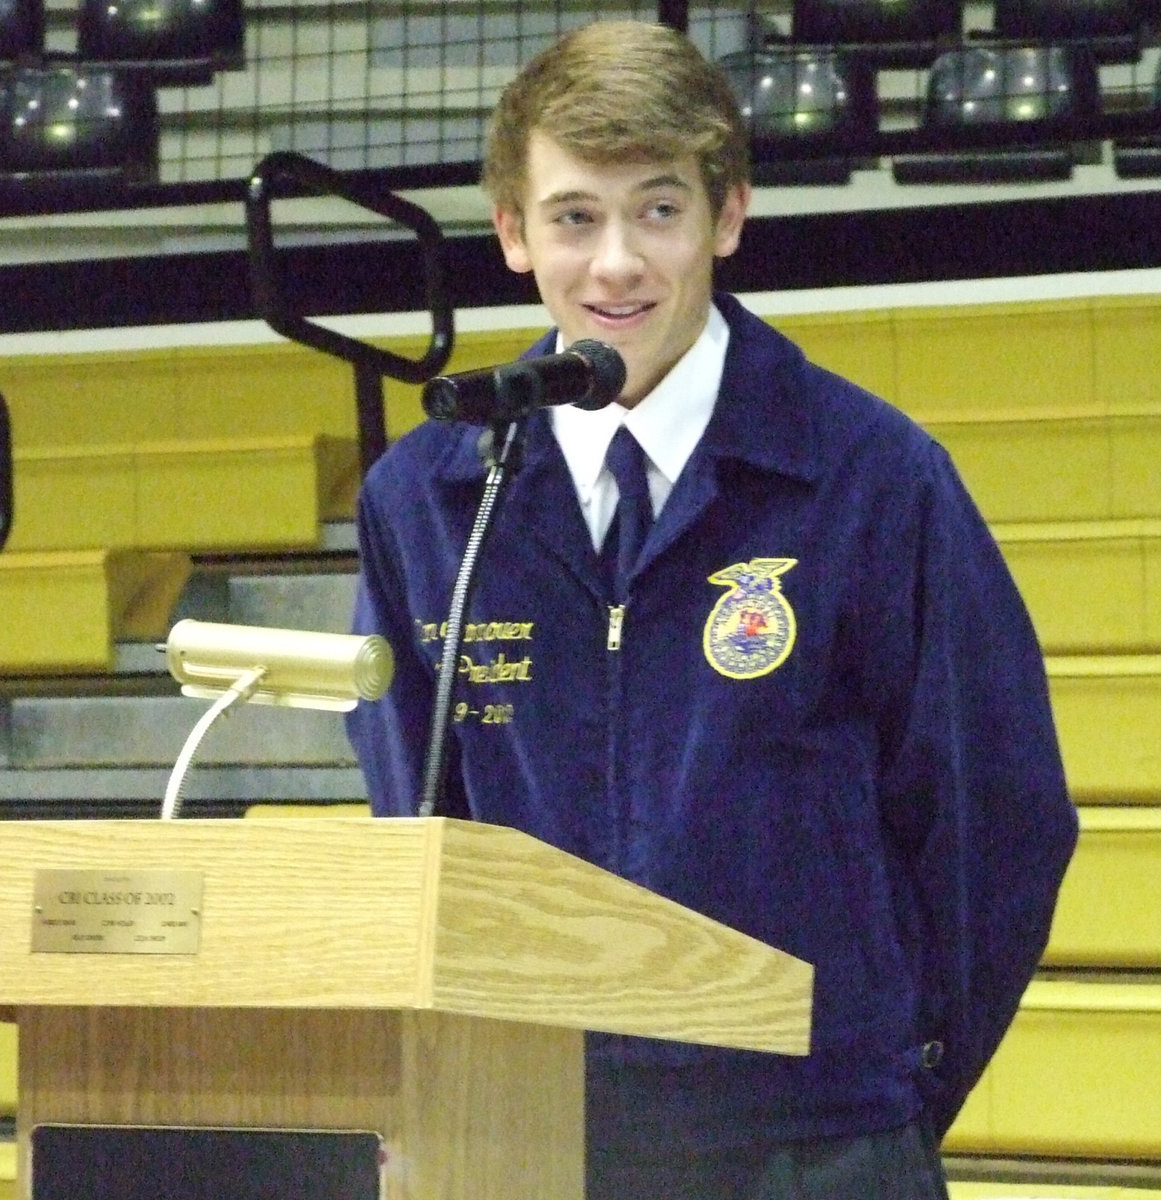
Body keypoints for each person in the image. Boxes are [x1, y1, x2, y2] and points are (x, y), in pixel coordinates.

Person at [346, 19, 1078, 1200]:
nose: (617, 265)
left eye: (659, 210)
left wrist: (888, 1088)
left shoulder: (870, 474)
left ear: (727, 217)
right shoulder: (428, 500)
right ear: (512, 233)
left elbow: (999, 820)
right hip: (530, 1133)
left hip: (819, 1143)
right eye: (575, 217)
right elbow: (415, 828)